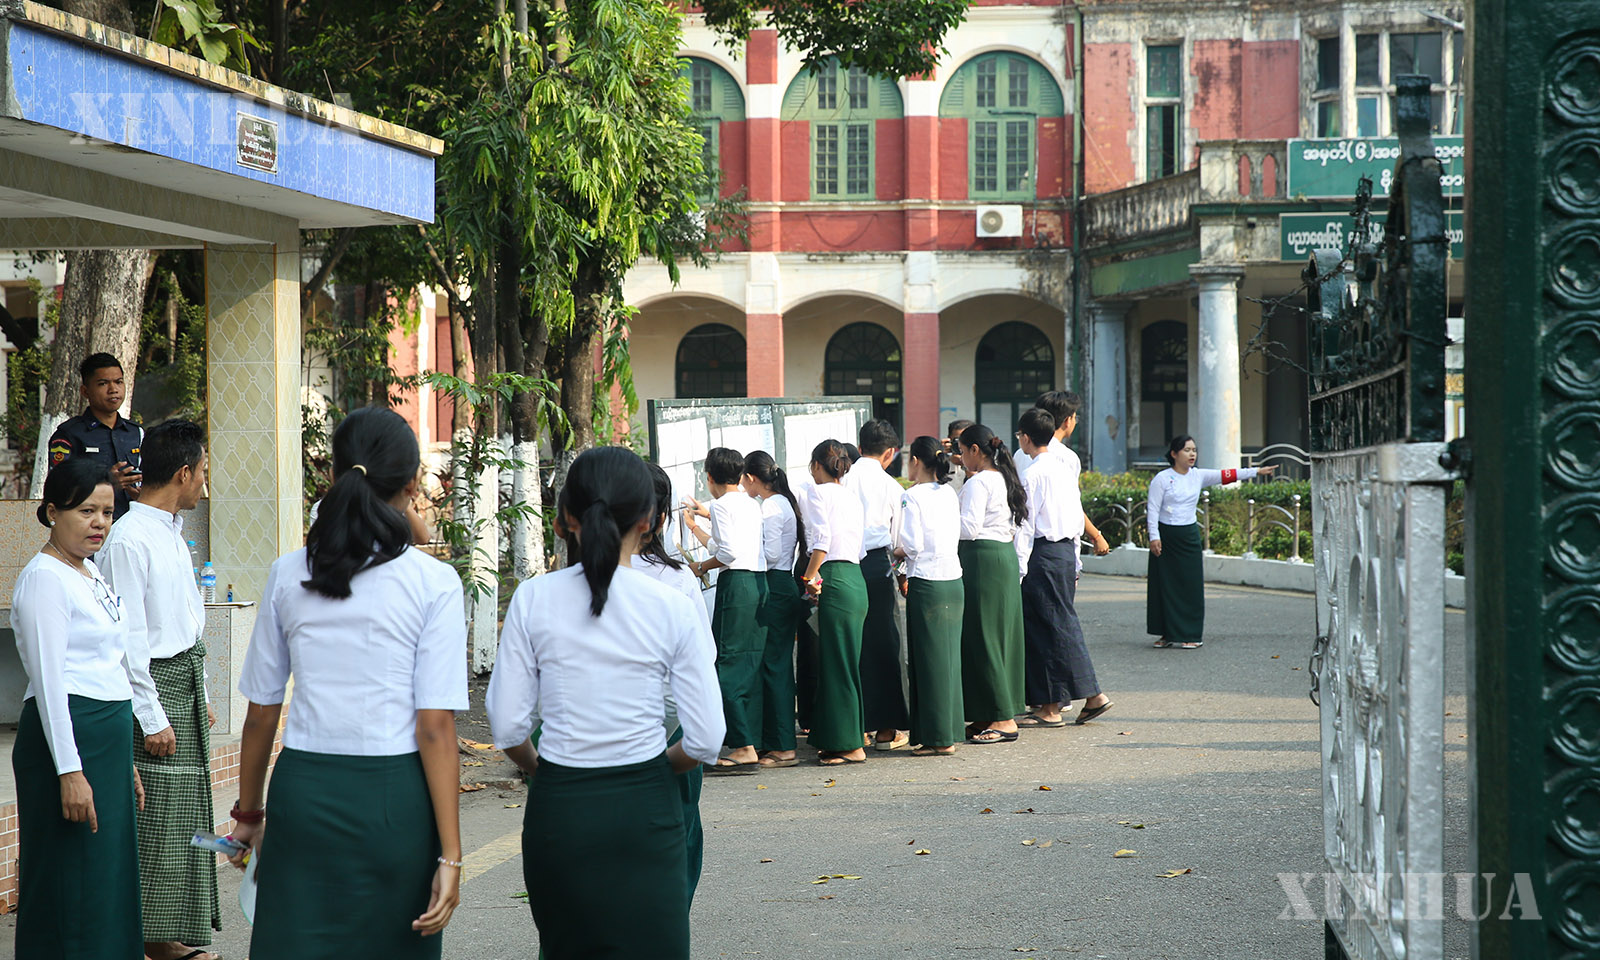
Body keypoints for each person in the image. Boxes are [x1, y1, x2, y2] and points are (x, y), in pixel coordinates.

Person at [230, 406, 467, 959]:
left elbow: (261, 713)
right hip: (394, 802)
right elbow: (435, 727)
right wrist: (451, 856)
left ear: (334, 477)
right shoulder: (433, 582)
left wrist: (249, 815)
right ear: (412, 486)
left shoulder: (289, 572)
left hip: (304, 794)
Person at [487, 447, 724, 960]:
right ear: (649, 521)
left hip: (561, 805)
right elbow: (706, 738)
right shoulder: (672, 604)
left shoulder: (533, 598)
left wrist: (545, 771)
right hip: (646, 805)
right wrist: (655, 768)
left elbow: (507, 727)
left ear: (564, 519)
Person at [11, 456, 147, 958]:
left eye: (107, 513)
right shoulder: (46, 578)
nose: (99, 523)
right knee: (71, 879)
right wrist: (69, 770)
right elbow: (50, 682)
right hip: (67, 740)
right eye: (86, 511)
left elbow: (107, 665)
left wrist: (125, 759)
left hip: (105, 741)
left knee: (107, 875)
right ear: (53, 512)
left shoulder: (88, 571)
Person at [97, 419, 221, 960]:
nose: (205, 484)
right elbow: (128, 640)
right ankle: (150, 938)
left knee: (186, 815)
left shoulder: (170, 530)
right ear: (184, 473)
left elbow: (185, 622)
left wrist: (203, 695)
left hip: (182, 684)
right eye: (204, 472)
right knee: (158, 820)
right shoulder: (129, 538)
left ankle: (170, 932)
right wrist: (152, 716)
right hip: (154, 691)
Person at [632, 462, 715, 902]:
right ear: (662, 517)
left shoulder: (563, 587)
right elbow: (704, 660)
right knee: (679, 828)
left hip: (593, 738)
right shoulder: (678, 580)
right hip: (673, 731)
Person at [1013, 409, 1114, 729]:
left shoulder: (1032, 474)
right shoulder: (1063, 468)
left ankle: (1087, 696)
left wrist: (1018, 568)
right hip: (1064, 552)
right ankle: (1052, 703)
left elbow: (1026, 525)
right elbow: (1075, 519)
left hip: (1042, 554)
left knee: (1053, 628)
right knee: (1052, 626)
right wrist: (1076, 562)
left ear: (1025, 438)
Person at [682, 447, 769, 774]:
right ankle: (751, 741)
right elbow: (725, 545)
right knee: (749, 662)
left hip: (737, 586)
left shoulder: (720, 506)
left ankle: (743, 747)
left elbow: (727, 554)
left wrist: (700, 567)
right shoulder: (750, 503)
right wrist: (696, 527)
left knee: (728, 664)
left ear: (709, 477)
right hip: (758, 583)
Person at [1147, 435, 1275, 649]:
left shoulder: (1198, 475)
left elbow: (1227, 475)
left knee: (1190, 586)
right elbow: (1152, 509)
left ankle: (1191, 634)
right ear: (1174, 454)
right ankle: (1167, 633)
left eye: (1194, 450)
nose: (1192, 454)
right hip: (1165, 536)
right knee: (1164, 585)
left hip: (1188, 536)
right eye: (1187, 450)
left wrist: (1256, 471)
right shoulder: (1162, 479)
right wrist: (1154, 536)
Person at [956, 423, 1029, 744]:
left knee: (985, 637)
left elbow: (969, 527)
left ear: (975, 450)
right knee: (999, 637)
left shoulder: (979, 482)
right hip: (1001, 557)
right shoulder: (1003, 476)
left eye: (962, 451)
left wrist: (939, 520)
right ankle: (990, 711)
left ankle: (1003, 717)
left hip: (982, 559)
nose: (960, 458)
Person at [799, 439, 869, 765]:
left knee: (837, 664)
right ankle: (841, 738)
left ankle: (850, 744)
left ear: (817, 465)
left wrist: (809, 577)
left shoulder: (818, 492)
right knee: (844, 662)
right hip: (854, 578)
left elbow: (821, 540)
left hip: (834, 578)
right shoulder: (851, 496)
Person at [894, 436, 965, 756]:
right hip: (953, 580)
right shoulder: (949, 492)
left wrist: (894, 551)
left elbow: (912, 545)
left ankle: (938, 737)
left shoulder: (912, 496)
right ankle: (946, 730)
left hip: (927, 582)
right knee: (948, 659)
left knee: (928, 660)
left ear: (916, 461)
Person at [844, 419, 909, 750]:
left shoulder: (842, 479)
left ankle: (855, 728)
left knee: (850, 646)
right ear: (891, 453)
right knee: (884, 646)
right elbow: (899, 541)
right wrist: (902, 576)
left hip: (843, 565)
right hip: (878, 566)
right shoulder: (892, 487)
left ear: (859, 448)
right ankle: (885, 730)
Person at [743, 451, 807, 768]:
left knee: (774, 665)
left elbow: (769, 554)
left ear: (751, 478)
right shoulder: (783, 501)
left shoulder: (769, 506)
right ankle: (776, 740)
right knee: (776, 664)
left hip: (775, 584)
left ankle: (782, 745)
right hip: (784, 583)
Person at [1014, 391, 1111, 562]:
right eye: (1075, 417)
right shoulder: (1066, 458)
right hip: (1053, 546)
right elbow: (1072, 507)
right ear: (1067, 420)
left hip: (1025, 542)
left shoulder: (1021, 453)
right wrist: (1096, 536)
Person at [46, 352, 143, 519]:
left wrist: (143, 495)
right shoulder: (69, 435)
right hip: (90, 527)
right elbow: (58, 488)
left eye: (119, 382)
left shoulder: (136, 433)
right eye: (103, 383)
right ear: (85, 391)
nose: (113, 389)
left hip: (131, 526)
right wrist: (106, 481)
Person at [945, 419, 974, 494]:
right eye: (957, 440)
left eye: (964, 440)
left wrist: (964, 463)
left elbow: (980, 483)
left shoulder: (982, 460)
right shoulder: (943, 461)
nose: (960, 445)